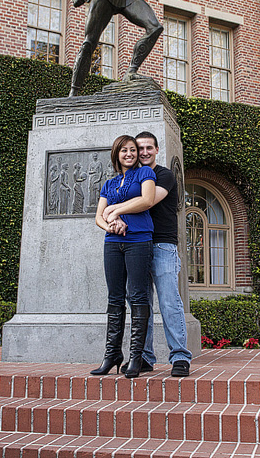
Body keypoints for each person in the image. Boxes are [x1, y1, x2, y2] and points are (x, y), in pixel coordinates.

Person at [103, 132, 192, 377]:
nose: (143, 152)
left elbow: (148, 201)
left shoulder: (162, 174)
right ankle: (144, 356)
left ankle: (180, 356)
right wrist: (115, 216)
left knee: (168, 301)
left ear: (156, 149)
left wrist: (112, 209)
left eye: (147, 148)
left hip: (162, 245)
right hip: (136, 245)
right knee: (140, 302)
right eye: (139, 148)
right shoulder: (132, 178)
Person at [92, 135, 156, 378]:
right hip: (113, 242)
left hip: (138, 241)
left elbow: (147, 200)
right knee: (115, 297)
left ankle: (136, 357)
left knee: (138, 295)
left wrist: (115, 209)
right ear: (116, 154)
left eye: (133, 150)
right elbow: (98, 217)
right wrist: (110, 224)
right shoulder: (109, 184)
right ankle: (112, 354)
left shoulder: (145, 175)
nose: (129, 154)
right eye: (124, 150)